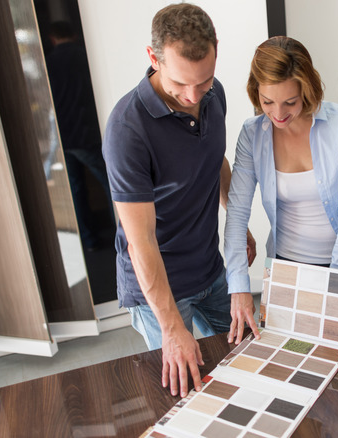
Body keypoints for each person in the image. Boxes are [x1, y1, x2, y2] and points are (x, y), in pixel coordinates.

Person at [101, 3, 255, 398]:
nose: (192, 96)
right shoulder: (127, 130)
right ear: (153, 59)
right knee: (187, 391)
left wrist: (238, 221)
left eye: (203, 82)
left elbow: (212, 157)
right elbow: (141, 242)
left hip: (209, 269)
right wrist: (172, 328)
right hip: (161, 288)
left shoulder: (212, 95)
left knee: (248, 359)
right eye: (180, 84)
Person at [225, 36, 338, 339]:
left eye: (289, 102)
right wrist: (239, 286)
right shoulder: (252, 135)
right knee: (286, 362)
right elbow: (237, 213)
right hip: (285, 269)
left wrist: (335, 284)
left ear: (306, 89)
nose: (278, 113)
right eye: (267, 102)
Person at [45, 21, 114, 251]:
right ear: (74, 35)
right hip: (85, 132)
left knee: (76, 189)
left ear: (53, 38)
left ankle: (88, 240)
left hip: (64, 135)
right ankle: (124, 237)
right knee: (112, 184)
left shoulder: (49, 62)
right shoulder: (84, 56)